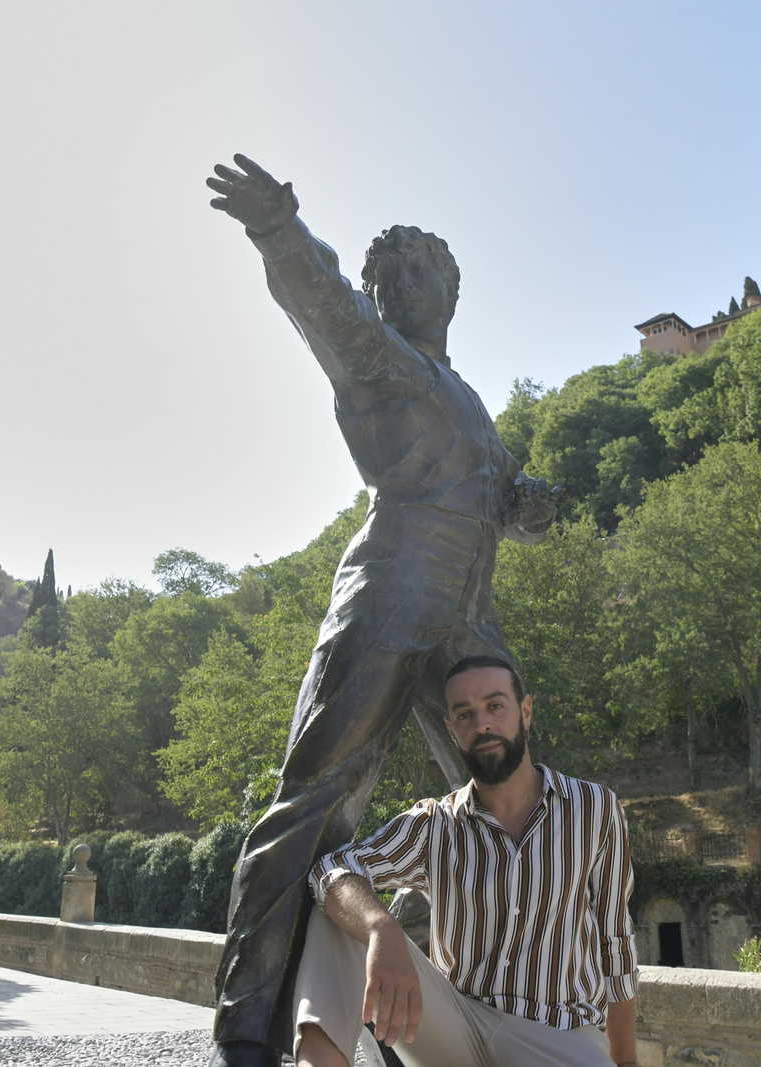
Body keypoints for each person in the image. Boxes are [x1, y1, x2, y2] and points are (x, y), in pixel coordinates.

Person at [203, 156, 561, 1066]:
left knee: (516, 809)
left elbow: (502, 492)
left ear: (451, 289)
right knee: (310, 808)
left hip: (466, 624)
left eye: (423, 270)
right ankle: (245, 1031)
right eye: (391, 275)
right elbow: (320, 300)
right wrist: (279, 230)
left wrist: (529, 504)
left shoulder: (470, 401)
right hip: (390, 596)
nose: (408, 284)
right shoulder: (379, 360)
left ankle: (509, 1001)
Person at [290, 656, 639, 1067]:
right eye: (465, 714)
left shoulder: (594, 809)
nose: (483, 725)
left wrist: (627, 1060)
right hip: (455, 1025)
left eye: (495, 706)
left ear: (525, 712)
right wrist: (382, 929)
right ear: (451, 730)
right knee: (336, 911)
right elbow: (333, 869)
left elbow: (614, 941)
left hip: (555, 1035)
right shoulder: (435, 824)